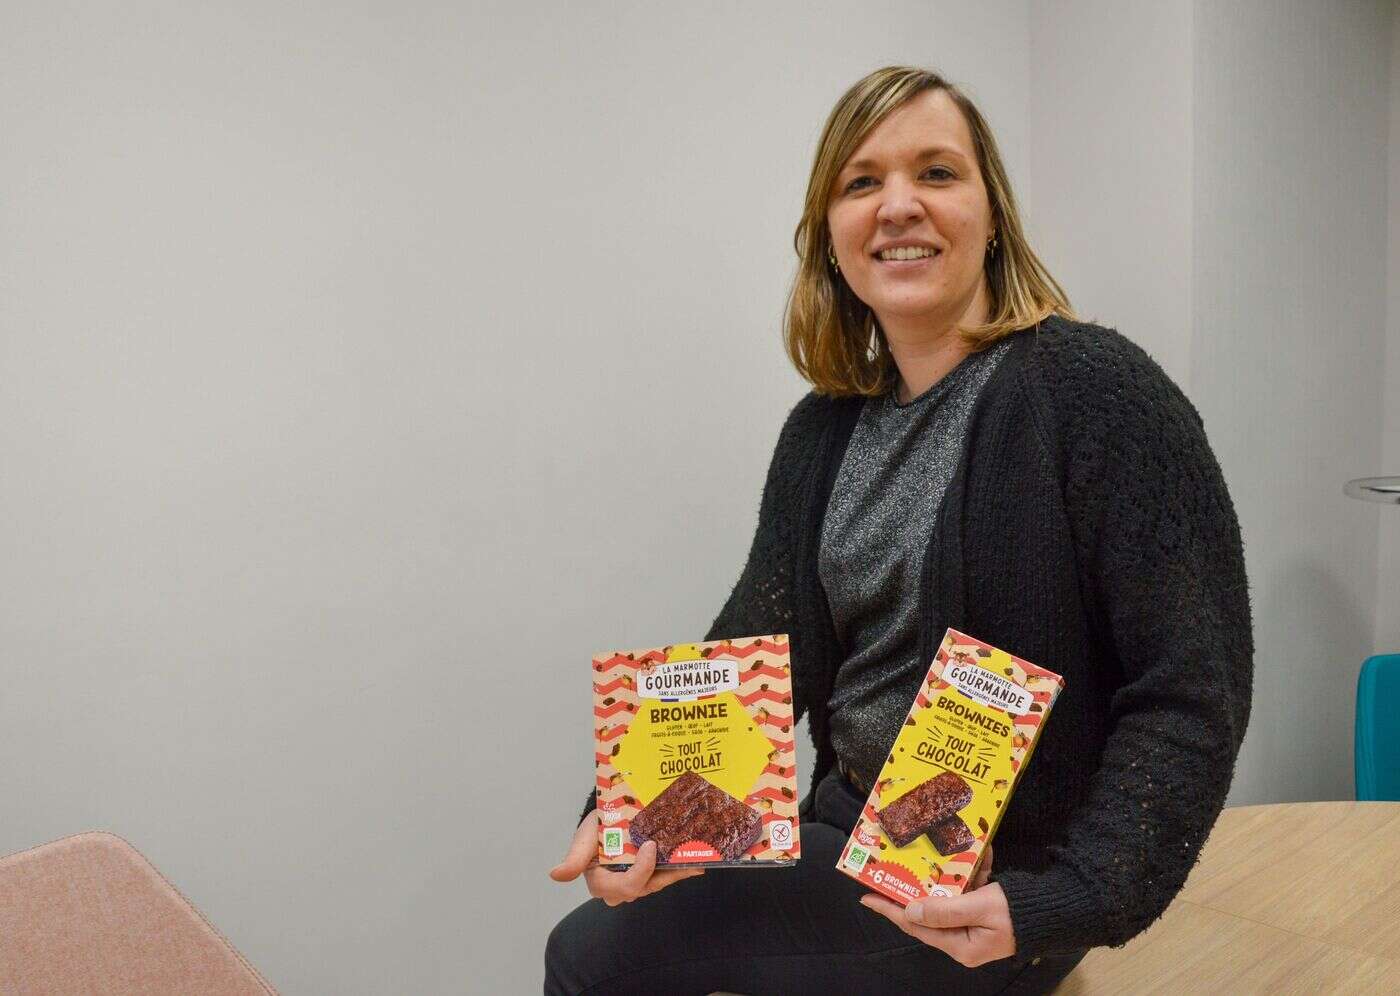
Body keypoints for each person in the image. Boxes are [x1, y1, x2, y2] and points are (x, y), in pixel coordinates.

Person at [545, 65, 1253, 996]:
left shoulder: (1097, 395)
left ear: (992, 213)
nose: (899, 206)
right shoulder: (826, 425)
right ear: (829, 234)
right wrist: (635, 811)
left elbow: (1191, 686)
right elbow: (763, 643)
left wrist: (1073, 896)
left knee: (589, 960)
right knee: (609, 925)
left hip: (992, 889)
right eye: (863, 182)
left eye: (938, 173)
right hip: (846, 832)